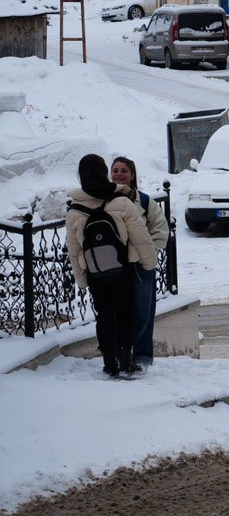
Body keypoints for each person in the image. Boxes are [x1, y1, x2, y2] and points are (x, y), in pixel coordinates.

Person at [67, 154, 157, 377]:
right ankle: (126, 360)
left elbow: (74, 250)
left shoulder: (74, 210)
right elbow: (141, 237)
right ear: (104, 172)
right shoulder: (121, 201)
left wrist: (81, 279)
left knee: (104, 316)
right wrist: (149, 263)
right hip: (122, 268)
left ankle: (109, 363)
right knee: (125, 313)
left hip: (95, 272)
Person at [111, 156, 169, 366]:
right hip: (113, 266)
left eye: (124, 170)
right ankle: (118, 355)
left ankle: (142, 355)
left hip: (140, 264)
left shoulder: (144, 201)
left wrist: (143, 251)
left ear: (132, 175)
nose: (119, 174)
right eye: (115, 170)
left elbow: (161, 230)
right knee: (115, 312)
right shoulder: (104, 200)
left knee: (143, 311)